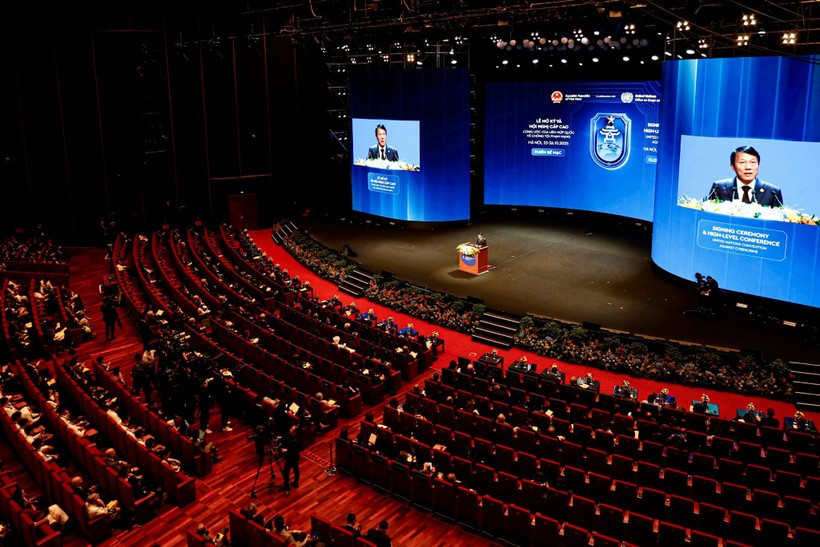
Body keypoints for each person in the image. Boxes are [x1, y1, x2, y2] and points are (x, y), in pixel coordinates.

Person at [706, 146, 783, 207]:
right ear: (732, 166)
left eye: (753, 162)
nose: (748, 167)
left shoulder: (773, 192)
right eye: (742, 162)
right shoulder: (719, 188)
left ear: (758, 165)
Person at [281, 425, 302, 491]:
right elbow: (287, 438)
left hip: (292, 458)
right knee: (296, 470)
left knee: (286, 472)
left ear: (294, 432)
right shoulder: (293, 437)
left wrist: (286, 450)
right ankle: (295, 483)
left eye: (291, 429)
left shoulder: (295, 441)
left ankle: (286, 486)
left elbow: (294, 450)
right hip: (295, 457)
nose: (290, 429)